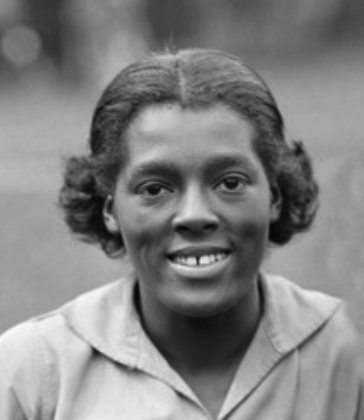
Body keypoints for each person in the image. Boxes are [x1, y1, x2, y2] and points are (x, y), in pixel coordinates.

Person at [0, 48, 363, 420]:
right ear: (109, 208)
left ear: (275, 195)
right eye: (155, 189)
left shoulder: (346, 356)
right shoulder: (33, 374)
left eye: (230, 182)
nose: (195, 216)